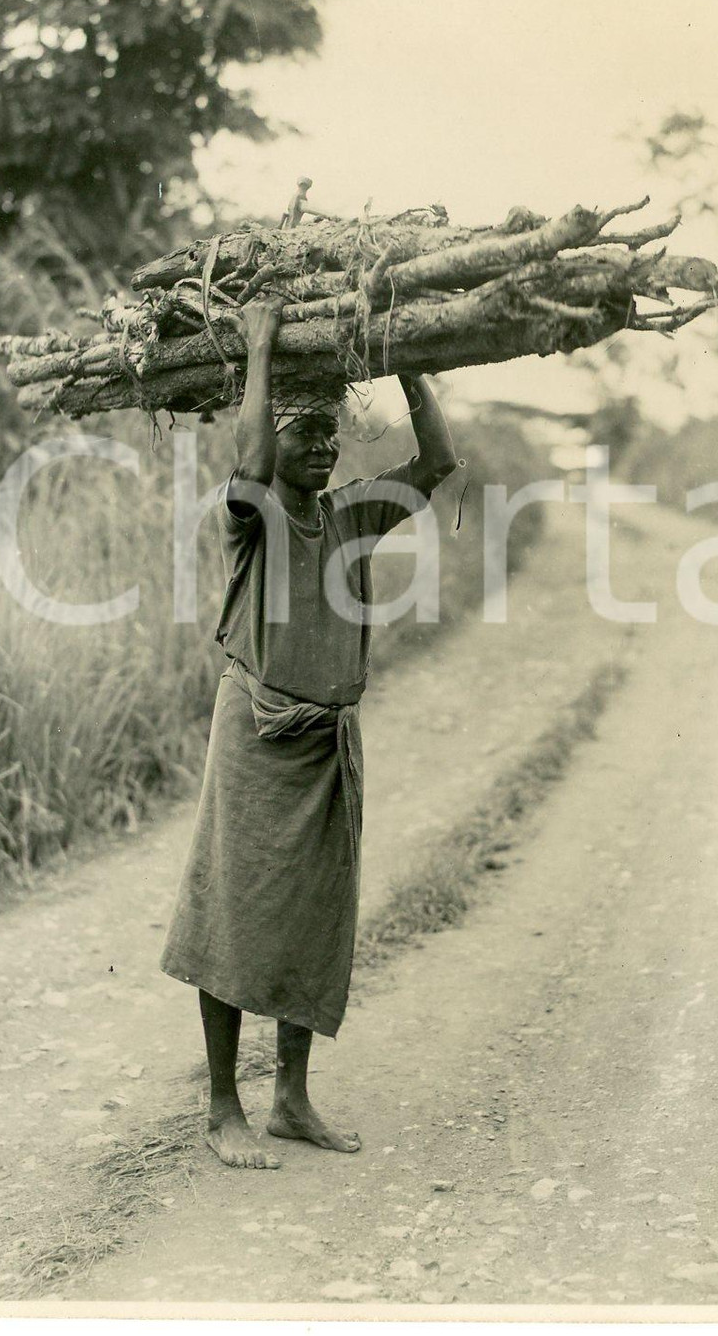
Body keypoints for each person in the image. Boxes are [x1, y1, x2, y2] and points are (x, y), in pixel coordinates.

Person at [160, 293, 457, 1168]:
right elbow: (250, 457)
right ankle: (224, 1108)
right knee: (234, 912)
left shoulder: (351, 516)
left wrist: (411, 367)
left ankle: (290, 1100)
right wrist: (259, 346)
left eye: (330, 433)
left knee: (314, 913)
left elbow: (439, 462)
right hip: (257, 734)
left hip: (328, 741)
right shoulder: (252, 516)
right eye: (304, 434)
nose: (322, 447)